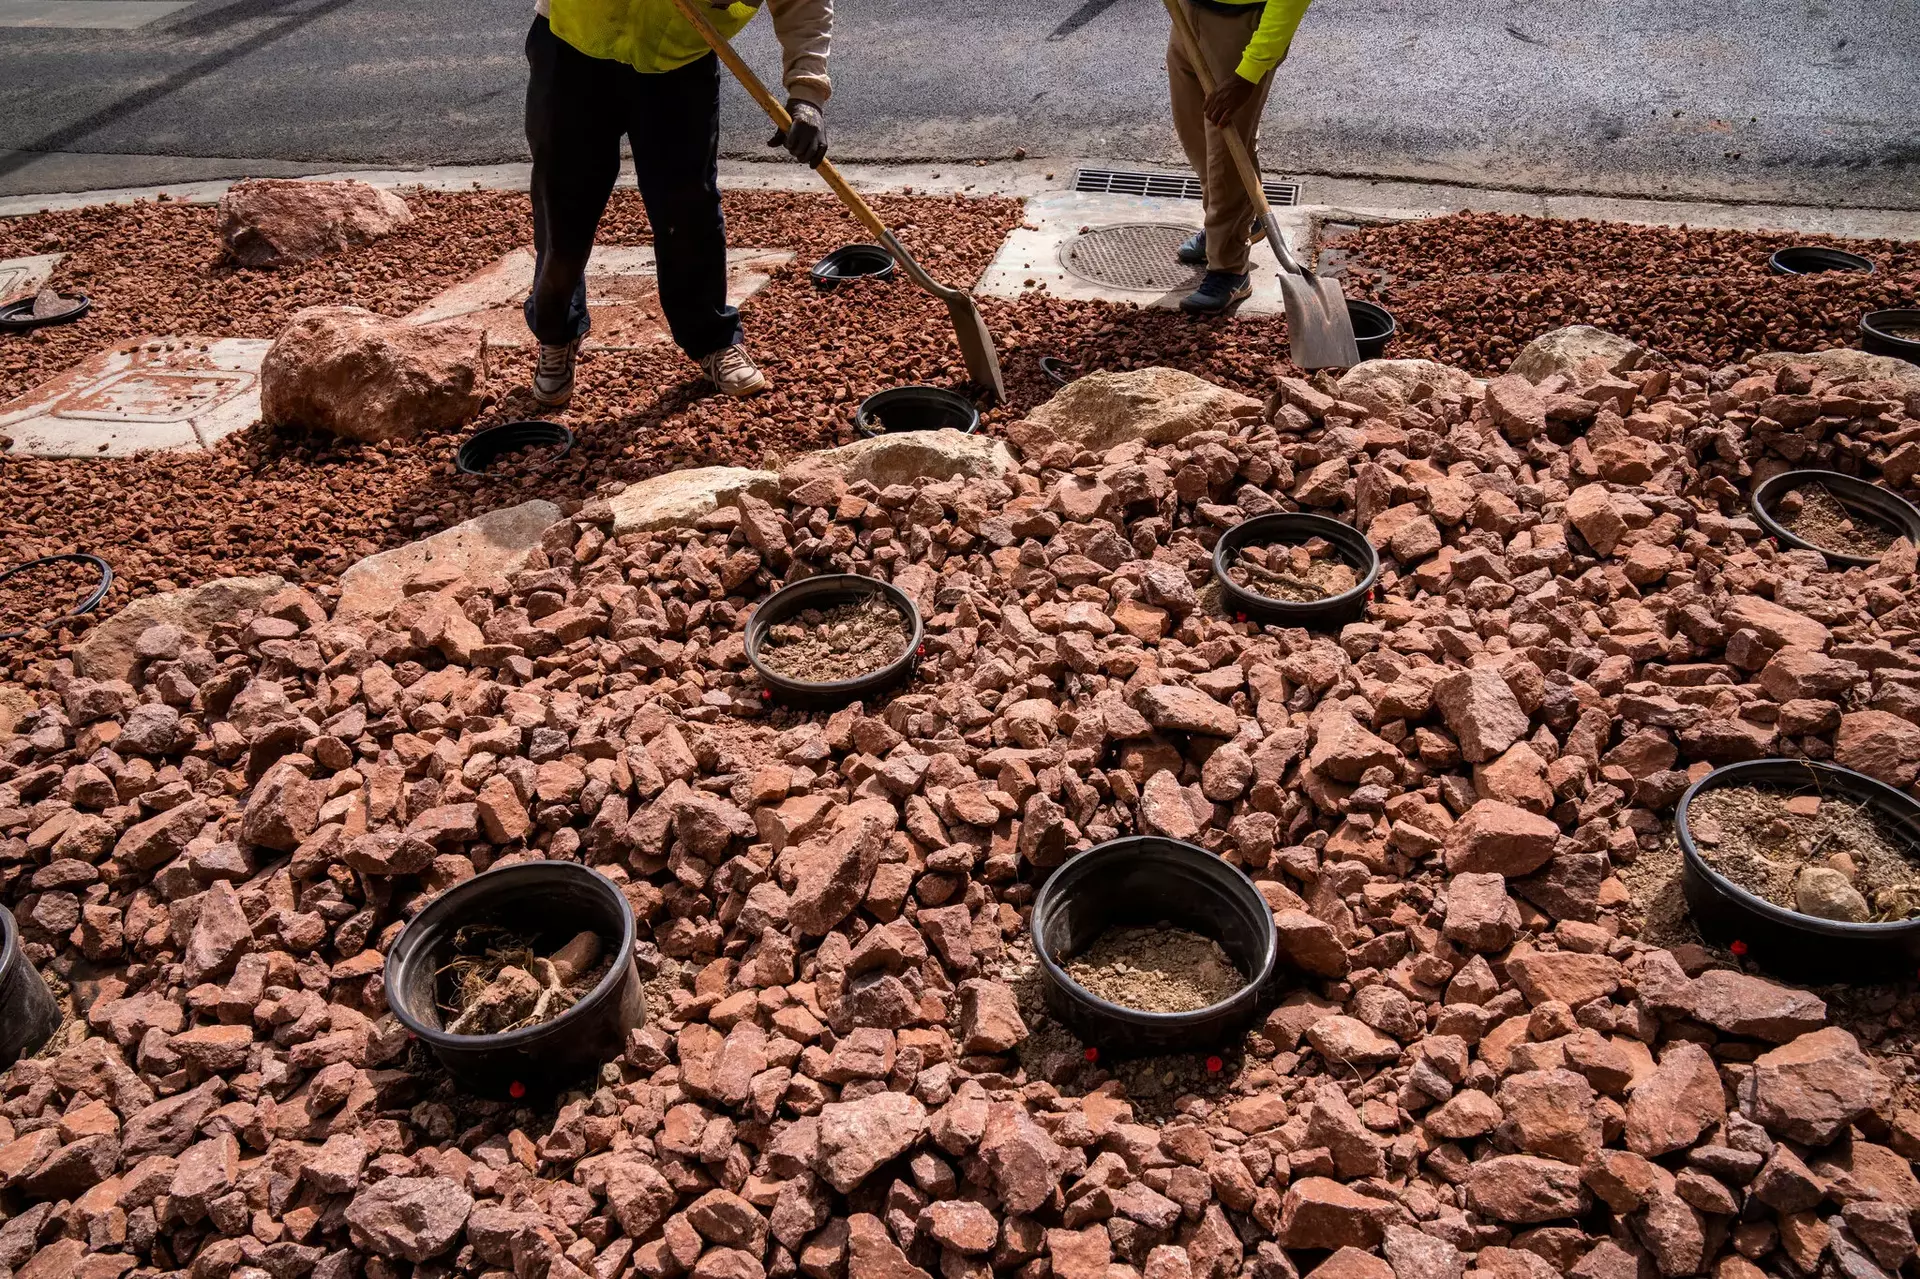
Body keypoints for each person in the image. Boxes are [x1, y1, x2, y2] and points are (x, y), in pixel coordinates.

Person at [524, 0, 834, 406]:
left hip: (678, 61)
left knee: (687, 210)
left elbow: (804, 3)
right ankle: (557, 331)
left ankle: (711, 338)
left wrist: (806, 93)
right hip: (572, 49)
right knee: (563, 207)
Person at [1166, 0, 1310, 314]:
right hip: (1188, 13)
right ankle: (1233, 226)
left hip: (1240, 26)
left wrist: (1249, 73)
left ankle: (1230, 269)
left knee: (1226, 154)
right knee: (1196, 137)